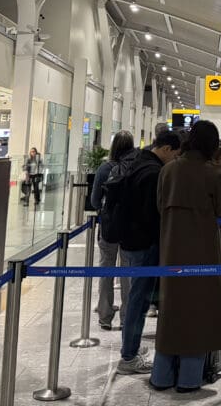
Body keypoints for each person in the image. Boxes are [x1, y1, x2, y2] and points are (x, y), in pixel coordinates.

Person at [151, 120, 221, 392]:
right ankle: (189, 378)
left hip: (171, 248)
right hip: (204, 251)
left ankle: (161, 375)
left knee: (171, 310)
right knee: (199, 312)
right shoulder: (213, 172)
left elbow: (160, 205)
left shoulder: (168, 170)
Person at [114, 131, 182, 374]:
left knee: (135, 296)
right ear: (166, 149)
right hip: (144, 244)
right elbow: (152, 214)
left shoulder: (137, 162)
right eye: (174, 154)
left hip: (130, 242)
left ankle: (129, 347)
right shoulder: (154, 173)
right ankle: (128, 357)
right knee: (138, 300)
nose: (175, 159)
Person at [91, 131, 135, 330]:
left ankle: (105, 315)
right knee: (128, 273)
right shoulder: (135, 167)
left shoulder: (105, 168)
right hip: (129, 228)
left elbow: (94, 200)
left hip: (108, 227)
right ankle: (126, 317)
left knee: (106, 269)